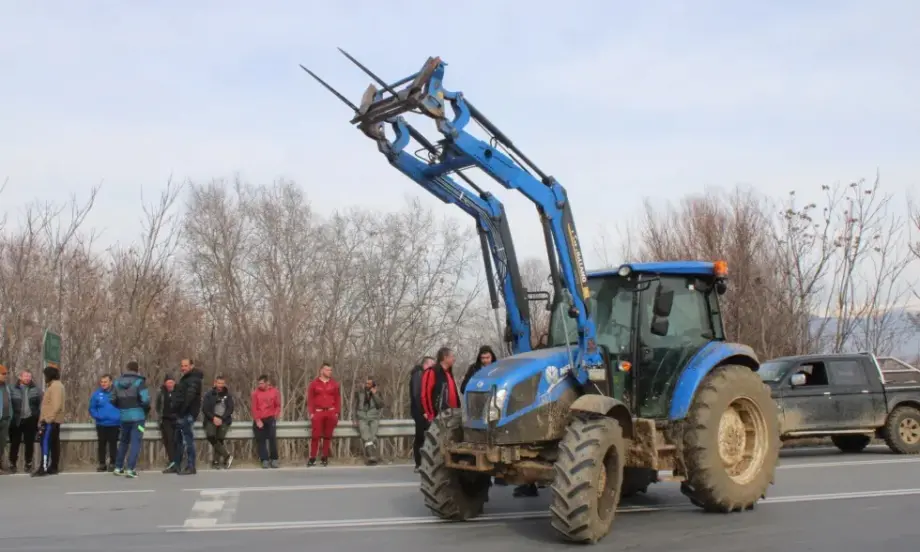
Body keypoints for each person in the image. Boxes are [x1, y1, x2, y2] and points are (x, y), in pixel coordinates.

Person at [111, 362, 150, 478]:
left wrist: (121, 407)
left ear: (127, 369)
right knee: (135, 442)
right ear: (137, 370)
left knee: (123, 442)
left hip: (124, 417)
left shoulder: (117, 382)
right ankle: (130, 468)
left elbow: (112, 399)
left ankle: (118, 467)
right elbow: (146, 400)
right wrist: (144, 409)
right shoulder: (139, 382)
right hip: (138, 417)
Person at [165, 358, 203, 475]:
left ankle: (191, 466)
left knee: (187, 440)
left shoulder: (194, 379)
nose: (183, 368)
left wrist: (181, 411)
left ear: (191, 366)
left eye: (186, 366)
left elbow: (189, 398)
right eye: (182, 365)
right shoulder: (186, 379)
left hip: (187, 414)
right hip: (181, 414)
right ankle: (177, 465)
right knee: (178, 441)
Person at [33, 365, 65, 477]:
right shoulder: (55, 386)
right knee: (54, 443)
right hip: (53, 420)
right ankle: (53, 466)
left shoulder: (55, 387)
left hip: (51, 420)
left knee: (46, 443)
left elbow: (56, 405)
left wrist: (48, 419)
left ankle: (44, 467)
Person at [306, 362, 340, 467]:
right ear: (321, 370)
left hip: (330, 412)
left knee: (327, 436)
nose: (330, 372)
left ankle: (324, 457)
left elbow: (338, 399)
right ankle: (312, 458)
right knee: (315, 436)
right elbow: (310, 399)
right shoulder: (314, 384)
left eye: (330, 370)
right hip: (318, 412)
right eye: (327, 370)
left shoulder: (334, 384)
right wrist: (311, 413)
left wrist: (336, 412)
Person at [8, 369, 41, 474]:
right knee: (15, 443)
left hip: (30, 419)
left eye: (29, 376)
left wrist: (38, 417)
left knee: (29, 443)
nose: (27, 378)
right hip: (17, 419)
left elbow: (41, 404)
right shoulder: (12, 389)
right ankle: (12, 463)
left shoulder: (36, 389)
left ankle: (28, 464)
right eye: (25, 376)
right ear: (20, 377)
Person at [88, 374, 121, 472]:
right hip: (101, 424)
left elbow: (123, 406)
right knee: (101, 444)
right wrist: (98, 416)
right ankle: (102, 464)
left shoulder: (117, 393)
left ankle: (113, 463)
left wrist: (119, 417)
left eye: (105, 382)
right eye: (102, 382)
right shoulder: (97, 394)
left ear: (111, 382)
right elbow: (92, 408)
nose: (103, 384)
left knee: (113, 444)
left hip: (114, 424)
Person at [202, 374, 234, 469]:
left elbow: (230, 409)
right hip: (211, 419)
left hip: (224, 419)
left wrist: (222, 418)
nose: (220, 385)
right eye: (219, 383)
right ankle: (227, 456)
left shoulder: (228, 396)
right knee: (211, 436)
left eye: (222, 383)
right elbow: (205, 409)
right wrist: (213, 418)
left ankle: (216, 461)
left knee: (220, 438)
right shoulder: (209, 395)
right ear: (215, 383)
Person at [409, 356, 434, 472]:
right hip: (419, 412)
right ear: (426, 364)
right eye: (432, 365)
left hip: (425, 411)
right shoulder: (418, 375)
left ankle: (425, 462)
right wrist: (423, 411)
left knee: (426, 437)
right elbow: (417, 394)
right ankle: (418, 464)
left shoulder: (425, 374)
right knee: (420, 436)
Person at [421, 347, 460, 422]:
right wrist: (430, 414)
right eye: (452, 356)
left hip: (452, 416)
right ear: (445, 357)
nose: (454, 359)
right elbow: (425, 395)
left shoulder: (448, 373)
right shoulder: (432, 372)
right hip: (438, 416)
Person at [251, 374, 281, 469]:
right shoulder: (255, 393)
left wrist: (275, 415)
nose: (260, 385)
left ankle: (274, 459)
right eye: (259, 383)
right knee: (261, 439)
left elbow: (278, 405)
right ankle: (264, 460)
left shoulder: (274, 392)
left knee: (272, 437)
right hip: (259, 419)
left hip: (270, 417)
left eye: (262, 383)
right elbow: (254, 408)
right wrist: (257, 420)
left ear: (267, 383)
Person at [355, 376, 384, 465]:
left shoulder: (378, 393)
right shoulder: (359, 393)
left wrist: (374, 394)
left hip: (373, 417)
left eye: (369, 384)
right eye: (366, 383)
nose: (367, 385)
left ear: (373, 385)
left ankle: (374, 457)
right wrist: (354, 418)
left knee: (372, 437)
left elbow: (380, 405)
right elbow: (355, 406)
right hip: (362, 417)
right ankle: (372, 456)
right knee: (366, 436)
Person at [156, 375, 177, 469]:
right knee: (168, 440)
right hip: (165, 419)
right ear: (165, 383)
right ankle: (172, 460)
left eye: (171, 382)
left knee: (175, 440)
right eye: (168, 382)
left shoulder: (178, 392)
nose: (170, 384)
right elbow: (157, 406)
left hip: (176, 419)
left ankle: (176, 460)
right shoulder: (161, 392)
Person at [0, 365, 11, 473]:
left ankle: (1, 465)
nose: (5, 376)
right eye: (3, 374)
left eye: (5, 374)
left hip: (5, 419)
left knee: (2, 444)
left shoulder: (6, 386)